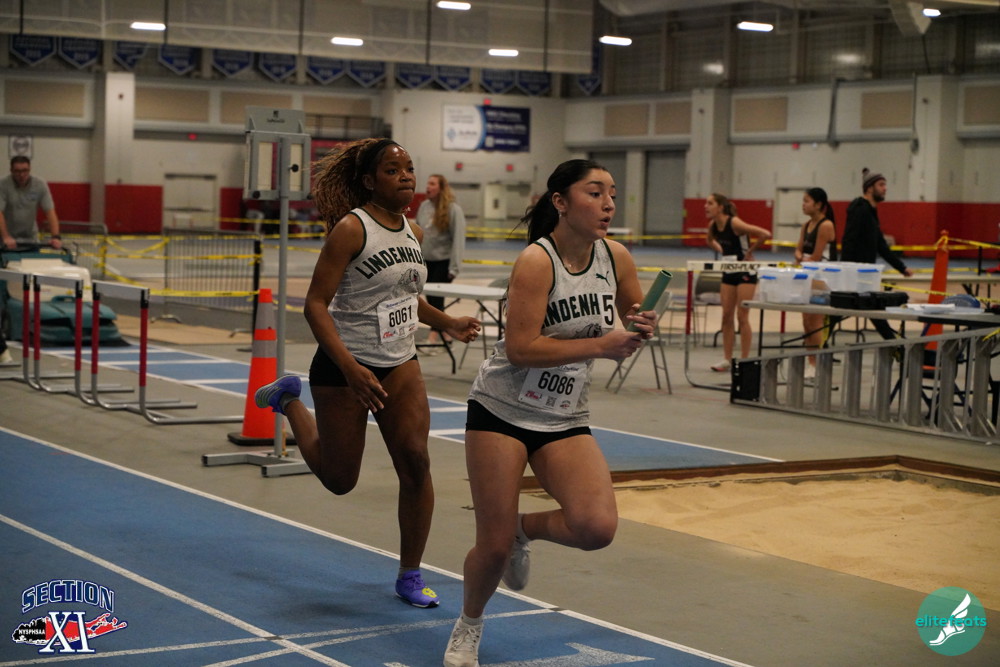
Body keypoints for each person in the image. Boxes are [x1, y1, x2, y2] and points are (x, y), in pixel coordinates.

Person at [443, 159, 657, 667]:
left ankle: (524, 528)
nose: (608, 204)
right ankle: (469, 625)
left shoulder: (616, 257)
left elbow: (633, 319)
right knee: (492, 548)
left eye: (612, 193)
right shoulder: (538, 261)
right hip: (502, 409)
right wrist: (602, 345)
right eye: (594, 193)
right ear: (560, 202)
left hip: (564, 413)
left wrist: (643, 325)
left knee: (596, 527)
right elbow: (520, 349)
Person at [253, 138, 481, 609]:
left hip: (400, 361)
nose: (406, 176)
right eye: (393, 170)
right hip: (344, 365)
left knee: (416, 462)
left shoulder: (413, 232)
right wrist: (350, 367)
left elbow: (406, 296)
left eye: (409, 167)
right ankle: (288, 401)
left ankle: (409, 574)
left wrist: (447, 322)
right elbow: (315, 305)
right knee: (340, 479)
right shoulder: (351, 229)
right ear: (368, 181)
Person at [841, 168, 913, 339]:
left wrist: (901, 268)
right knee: (863, 309)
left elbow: (881, 246)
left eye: (885, 185)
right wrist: (847, 270)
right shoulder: (860, 210)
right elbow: (848, 240)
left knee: (872, 309)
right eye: (881, 185)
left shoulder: (871, 212)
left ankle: (894, 344)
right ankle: (895, 344)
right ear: (869, 188)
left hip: (865, 274)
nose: (885, 188)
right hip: (856, 274)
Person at [704, 193, 772, 372]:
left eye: (710, 203)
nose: (706, 206)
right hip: (729, 271)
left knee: (742, 316)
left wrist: (750, 252)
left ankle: (745, 360)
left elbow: (764, 234)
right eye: (706, 203)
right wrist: (723, 251)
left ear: (720, 207)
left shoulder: (734, 223)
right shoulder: (713, 225)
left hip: (745, 271)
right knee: (726, 316)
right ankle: (727, 359)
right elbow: (709, 240)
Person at [416, 174, 467, 349]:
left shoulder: (453, 209)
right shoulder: (423, 206)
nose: (427, 186)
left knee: (436, 300)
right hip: (425, 261)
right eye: (427, 183)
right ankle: (446, 334)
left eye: (432, 183)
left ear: (441, 188)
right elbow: (418, 233)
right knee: (431, 299)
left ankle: (433, 335)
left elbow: (458, 239)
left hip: (443, 262)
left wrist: (454, 267)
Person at [794, 187, 837, 378]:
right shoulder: (806, 226)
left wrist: (802, 259)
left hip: (822, 279)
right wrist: (801, 258)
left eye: (807, 201)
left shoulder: (826, 225)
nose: (803, 205)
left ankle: (816, 363)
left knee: (815, 322)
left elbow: (817, 257)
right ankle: (810, 361)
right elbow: (797, 251)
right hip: (807, 276)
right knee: (806, 322)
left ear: (818, 205)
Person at [0, 157, 62, 251]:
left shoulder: (40, 184)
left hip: (31, 239)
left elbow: (50, 211)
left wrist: (56, 237)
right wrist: (6, 237)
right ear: (11, 171)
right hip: (6, 239)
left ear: (30, 169)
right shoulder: (3, 184)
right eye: (17, 171)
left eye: (25, 170)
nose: (21, 175)